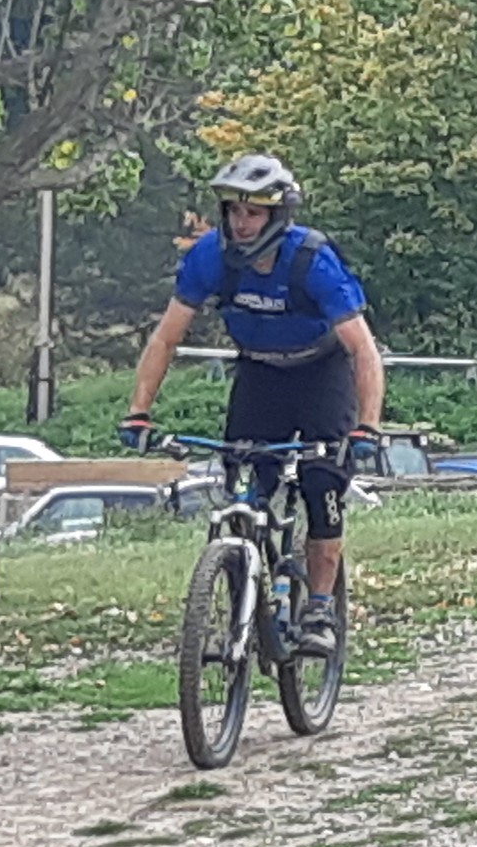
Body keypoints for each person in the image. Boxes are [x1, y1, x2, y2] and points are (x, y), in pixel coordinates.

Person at [119, 154, 387, 655]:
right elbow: (166, 339)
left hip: (320, 374)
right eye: (234, 211)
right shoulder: (210, 257)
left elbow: (363, 349)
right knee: (244, 482)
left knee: (322, 481)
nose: (241, 223)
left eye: (254, 213)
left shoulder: (311, 260)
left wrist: (366, 426)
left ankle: (320, 608)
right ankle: (241, 596)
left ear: (277, 215)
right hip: (260, 373)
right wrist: (138, 410)